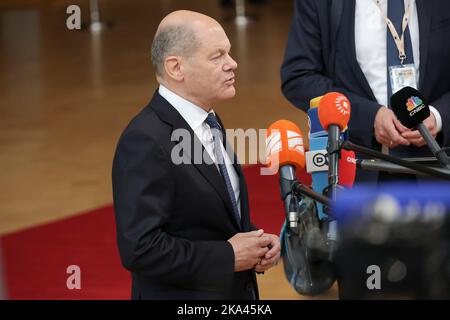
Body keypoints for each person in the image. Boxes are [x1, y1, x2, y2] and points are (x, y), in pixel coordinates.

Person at [112, 10, 280, 300]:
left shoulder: (207, 119)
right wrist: (227, 256)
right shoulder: (144, 140)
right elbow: (140, 249)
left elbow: (206, 213)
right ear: (176, 67)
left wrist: (255, 241)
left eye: (228, 53)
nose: (233, 63)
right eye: (217, 57)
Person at [281, 0, 450, 183]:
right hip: (358, 167)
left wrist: (437, 116)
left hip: (438, 166)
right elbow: (299, 76)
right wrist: (370, 117)